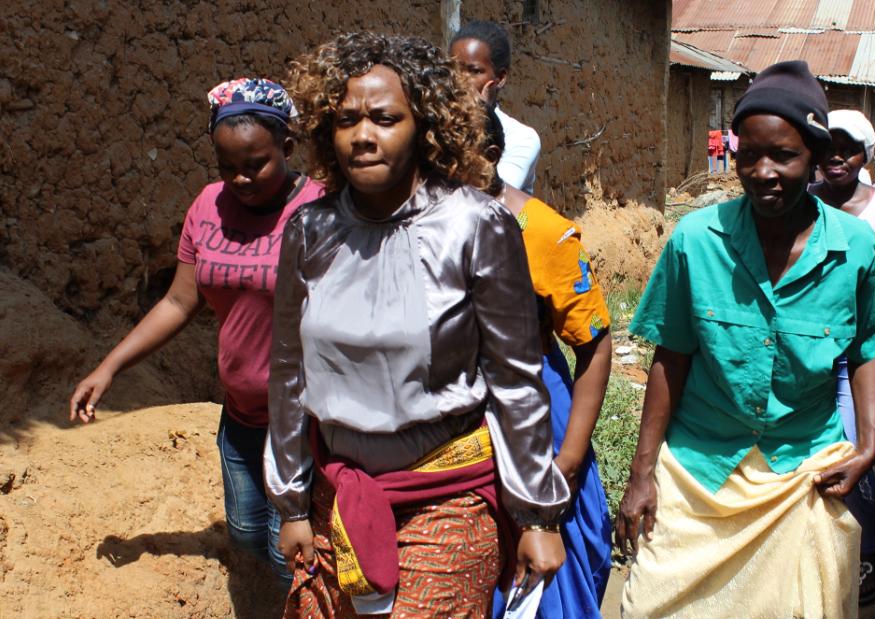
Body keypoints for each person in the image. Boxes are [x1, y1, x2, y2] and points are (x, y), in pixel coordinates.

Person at [267, 32, 569, 618]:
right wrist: (294, 506)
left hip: (448, 496)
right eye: (346, 119)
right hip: (338, 497)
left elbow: (514, 377)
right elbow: (287, 375)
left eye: (384, 118)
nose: (363, 135)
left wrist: (536, 514)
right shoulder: (308, 232)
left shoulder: (475, 224)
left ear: (423, 125)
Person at [614, 60, 875, 618]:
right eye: (749, 155)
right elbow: (670, 356)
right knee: (654, 603)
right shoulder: (696, 241)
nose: (764, 171)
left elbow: (869, 346)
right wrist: (641, 474)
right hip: (698, 472)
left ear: (816, 157)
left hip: (801, 473)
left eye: (784, 156)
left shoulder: (855, 248)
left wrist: (868, 444)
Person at [68, 78, 321, 586]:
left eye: (256, 165)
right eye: (227, 167)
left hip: (305, 418)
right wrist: (109, 367)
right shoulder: (208, 206)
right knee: (248, 532)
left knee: (286, 552)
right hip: (241, 412)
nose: (241, 180)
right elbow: (180, 301)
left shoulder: (319, 211)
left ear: (287, 148)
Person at [481, 106, 614, 619]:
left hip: (535, 416)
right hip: (459, 419)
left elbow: (595, 344)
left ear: (491, 157)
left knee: (546, 584)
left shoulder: (541, 233)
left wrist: (568, 463)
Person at [809, 109, 875, 604]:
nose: (836, 156)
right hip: (807, 354)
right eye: (827, 145)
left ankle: (866, 552)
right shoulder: (800, 203)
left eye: (848, 148)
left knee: (857, 456)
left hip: (861, 358)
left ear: (865, 155)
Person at [450, 21, 540, 193]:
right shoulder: (436, 128)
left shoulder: (522, 138)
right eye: (453, 69)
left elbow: (491, 196)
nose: (460, 81)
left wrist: (479, 117)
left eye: (474, 71)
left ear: (501, 77)